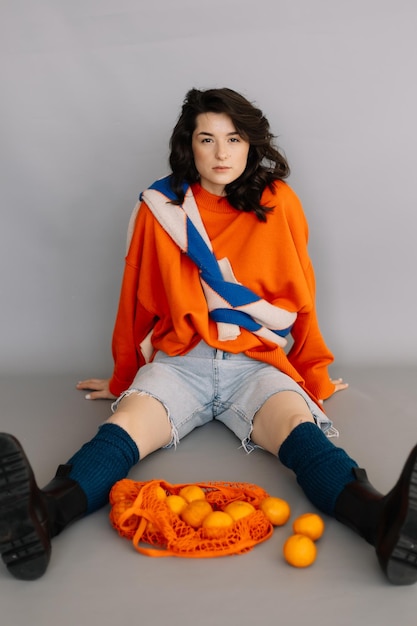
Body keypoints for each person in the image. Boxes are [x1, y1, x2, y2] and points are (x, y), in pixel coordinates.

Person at [1, 87, 416, 585]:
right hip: (181, 362)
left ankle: (383, 521)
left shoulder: (279, 203)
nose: (221, 154)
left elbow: (301, 294)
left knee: (300, 436)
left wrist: (313, 375)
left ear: (250, 145)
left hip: (257, 364)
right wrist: (124, 377)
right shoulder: (161, 209)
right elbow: (134, 296)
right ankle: (41, 514)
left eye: (234, 139)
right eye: (207, 139)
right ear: (189, 146)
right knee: (122, 432)